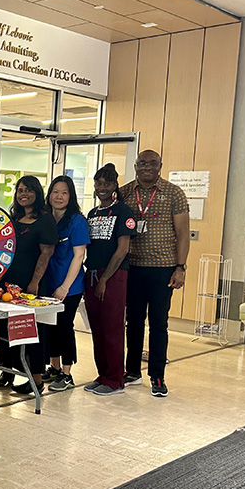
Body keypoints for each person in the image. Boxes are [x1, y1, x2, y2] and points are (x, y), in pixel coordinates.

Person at [119, 150, 189, 397]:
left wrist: (180, 267)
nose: (147, 167)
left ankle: (157, 375)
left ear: (161, 165)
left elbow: (182, 234)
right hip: (132, 267)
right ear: (136, 166)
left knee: (159, 323)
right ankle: (132, 371)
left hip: (163, 268)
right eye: (142, 163)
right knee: (133, 322)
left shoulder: (173, 193)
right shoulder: (125, 192)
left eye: (152, 163)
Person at [0, 176, 56, 394]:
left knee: (31, 333)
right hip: (7, 285)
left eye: (28, 190)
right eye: (20, 190)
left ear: (37, 193)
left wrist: (35, 282)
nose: (23, 194)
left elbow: (46, 253)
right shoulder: (13, 218)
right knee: (5, 330)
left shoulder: (45, 220)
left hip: (31, 286)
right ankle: (6, 370)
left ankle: (36, 380)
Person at [83, 164, 137, 396]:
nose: (102, 188)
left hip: (113, 276)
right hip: (92, 273)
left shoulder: (123, 212)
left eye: (107, 183)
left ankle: (115, 379)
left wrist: (105, 278)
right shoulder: (93, 214)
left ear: (115, 185)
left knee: (112, 328)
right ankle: (102, 373)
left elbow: (122, 249)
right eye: (98, 184)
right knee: (97, 328)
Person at [41, 175, 90, 393]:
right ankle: (54, 368)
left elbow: (78, 256)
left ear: (71, 196)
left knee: (64, 328)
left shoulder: (77, 221)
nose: (59, 197)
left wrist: (65, 287)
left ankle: (67, 374)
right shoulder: (45, 218)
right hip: (48, 283)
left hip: (69, 286)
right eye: (55, 192)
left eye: (64, 192)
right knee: (50, 327)